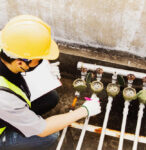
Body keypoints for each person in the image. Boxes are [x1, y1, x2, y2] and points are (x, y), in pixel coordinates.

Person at [0, 15, 101, 150]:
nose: (42, 60)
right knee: (50, 136)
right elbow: (43, 129)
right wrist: (84, 110)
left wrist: (43, 70)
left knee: (51, 98)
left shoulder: (6, 46)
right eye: (39, 59)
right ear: (20, 62)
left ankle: (24, 120)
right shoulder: (5, 99)